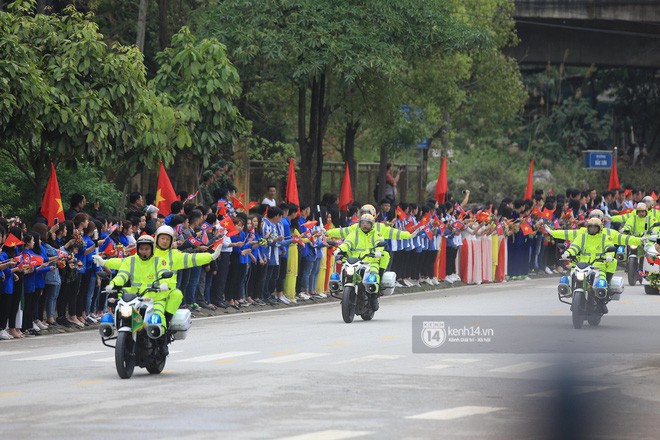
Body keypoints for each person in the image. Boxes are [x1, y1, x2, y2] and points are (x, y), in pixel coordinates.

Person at [95, 225, 224, 323]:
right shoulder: (149, 253)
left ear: (171, 240)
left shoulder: (175, 255)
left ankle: (165, 325)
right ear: (156, 239)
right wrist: (105, 262)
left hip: (163, 292)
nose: (164, 241)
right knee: (120, 300)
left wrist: (210, 257)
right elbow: (126, 263)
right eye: (162, 238)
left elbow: (193, 259)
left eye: (167, 239)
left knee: (176, 296)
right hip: (140, 293)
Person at [336, 214, 390, 311]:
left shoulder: (376, 234)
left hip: (371, 261)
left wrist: (378, 251)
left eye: (367, 223)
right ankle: (345, 294)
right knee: (345, 271)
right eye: (363, 223)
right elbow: (347, 243)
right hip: (355, 261)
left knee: (374, 276)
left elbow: (380, 243)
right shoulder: (354, 234)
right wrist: (339, 249)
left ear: (372, 224)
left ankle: (374, 297)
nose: (365, 225)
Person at [561, 218, 615, 313]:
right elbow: (574, 247)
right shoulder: (582, 237)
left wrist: (609, 256)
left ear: (600, 228)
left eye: (595, 227)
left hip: (598, 267)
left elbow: (608, 246)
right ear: (588, 227)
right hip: (581, 266)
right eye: (591, 227)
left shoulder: (604, 238)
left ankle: (601, 302)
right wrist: (567, 253)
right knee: (570, 277)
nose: (593, 229)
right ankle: (569, 292)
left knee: (602, 283)